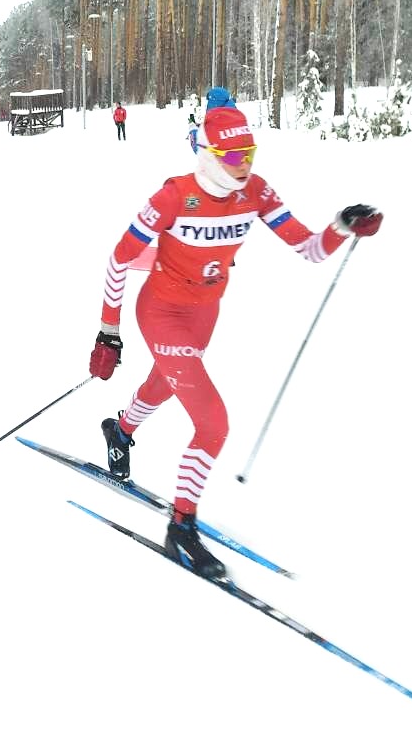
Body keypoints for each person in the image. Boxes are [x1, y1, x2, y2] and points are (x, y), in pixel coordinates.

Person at [88, 103, 383, 578]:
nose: (242, 163)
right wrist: (108, 332)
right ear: (207, 154)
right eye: (231, 155)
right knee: (213, 422)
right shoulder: (173, 197)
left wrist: (342, 226)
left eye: (249, 151)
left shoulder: (256, 192)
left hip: (204, 313)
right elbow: (119, 259)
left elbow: (308, 249)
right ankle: (181, 525)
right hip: (161, 311)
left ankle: (120, 431)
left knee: (163, 384)